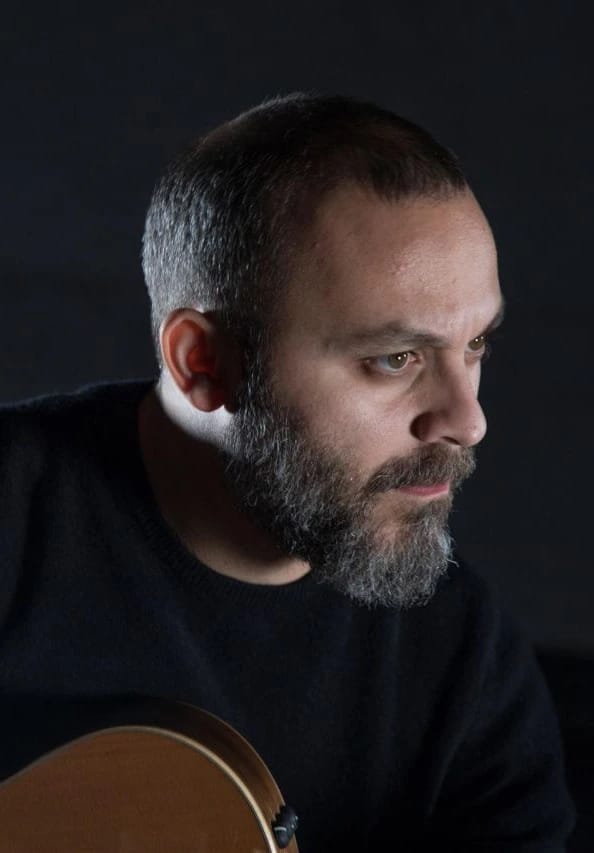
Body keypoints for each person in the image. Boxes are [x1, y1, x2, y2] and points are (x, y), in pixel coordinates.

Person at [0, 93, 575, 850]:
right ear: (203, 362)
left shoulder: (463, 665)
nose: (468, 421)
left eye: (475, 347)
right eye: (396, 359)